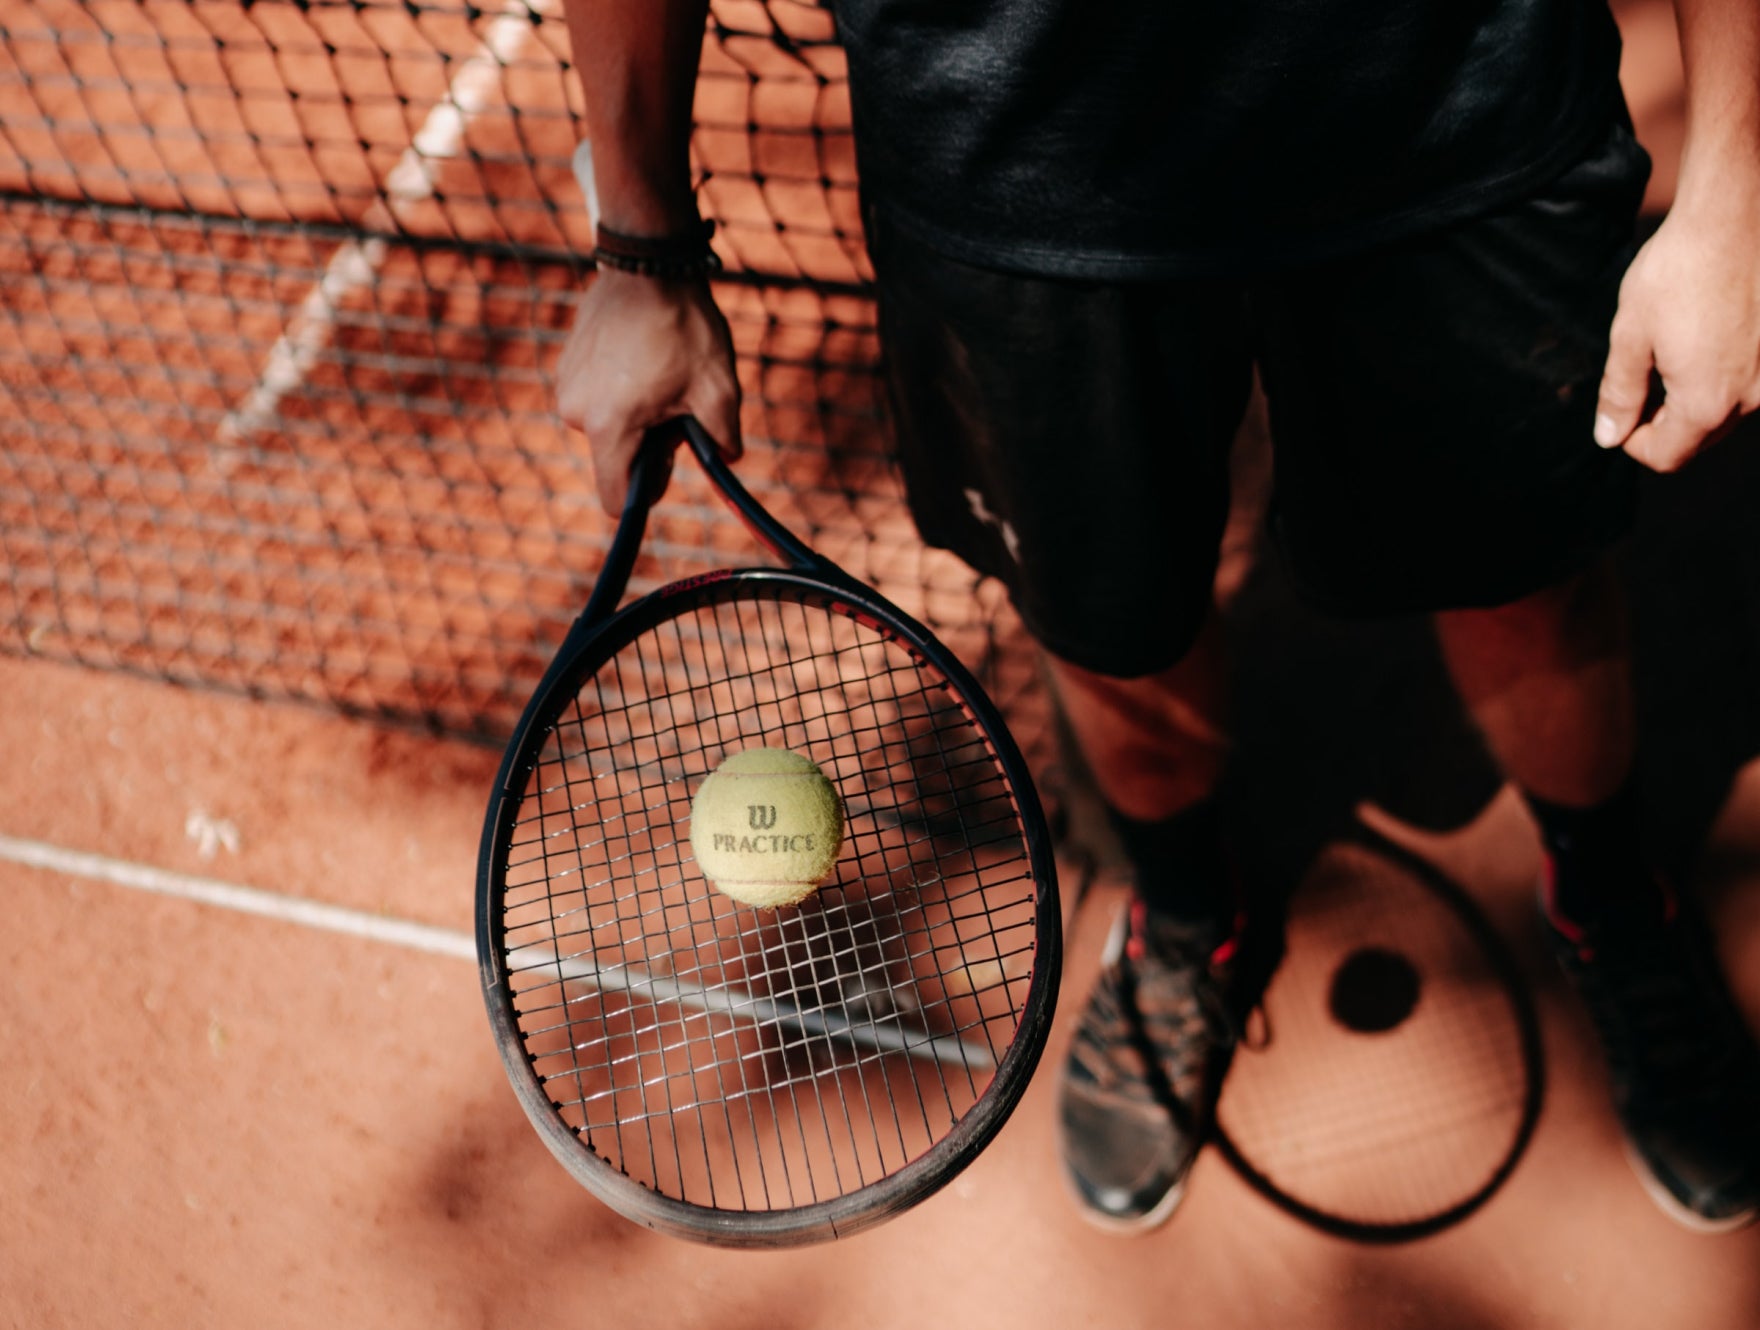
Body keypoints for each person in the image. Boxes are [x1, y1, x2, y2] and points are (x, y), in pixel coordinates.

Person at [554, 0, 1760, 1232]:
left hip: (1455, 110)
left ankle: (1610, 900)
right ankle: (1188, 917)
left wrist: (1733, 177)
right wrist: (639, 246)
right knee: (1110, 634)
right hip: (1009, 167)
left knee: (1527, 583)